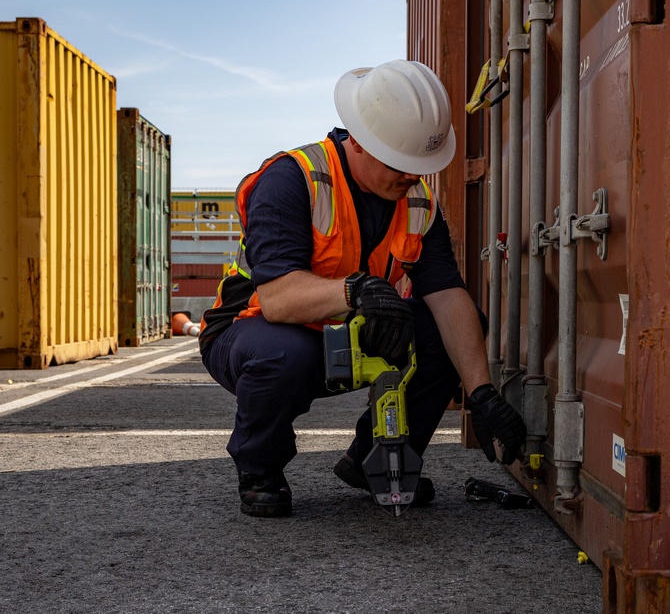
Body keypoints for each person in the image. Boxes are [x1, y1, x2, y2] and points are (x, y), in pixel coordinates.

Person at [198, 60, 526, 517]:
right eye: (401, 163)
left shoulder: (415, 199)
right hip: (252, 333)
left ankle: (377, 462)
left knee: (447, 331)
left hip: (346, 329)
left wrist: (481, 390)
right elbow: (277, 299)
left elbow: (449, 297)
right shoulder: (293, 179)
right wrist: (357, 291)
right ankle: (260, 466)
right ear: (360, 141)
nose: (411, 176)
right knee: (285, 352)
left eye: (419, 166)